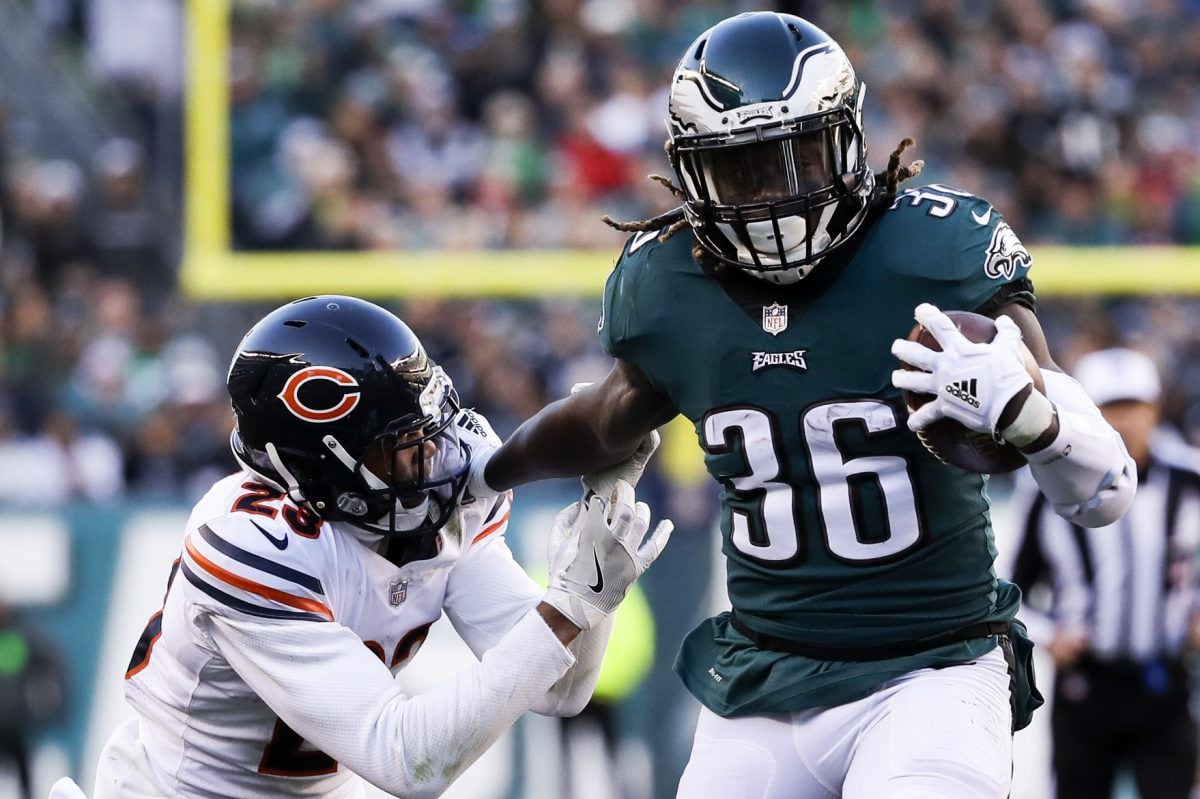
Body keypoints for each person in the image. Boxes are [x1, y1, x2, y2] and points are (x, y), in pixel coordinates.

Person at [465, 12, 1138, 798]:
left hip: (933, 665)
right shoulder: (668, 286)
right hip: (765, 675)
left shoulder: (935, 256)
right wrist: (481, 470)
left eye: (797, 158)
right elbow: (601, 420)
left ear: (848, 141)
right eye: (742, 170)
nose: (774, 200)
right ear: (691, 176)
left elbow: (1105, 491)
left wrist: (1030, 415)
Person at [50, 295, 672, 799]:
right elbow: (407, 761)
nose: (433, 456)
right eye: (400, 446)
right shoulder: (253, 543)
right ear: (320, 464)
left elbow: (560, 690)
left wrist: (589, 588)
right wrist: (564, 607)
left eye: (429, 431)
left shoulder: (432, 498)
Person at [1006, 348, 1200, 799]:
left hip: (1166, 679)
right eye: (1110, 407)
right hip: (1086, 683)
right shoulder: (1044, 489)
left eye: (1134, 406)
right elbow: (1011, 589)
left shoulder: (1189, 481)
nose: (1124, 421)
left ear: (1155, 409)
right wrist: (1050, 635)